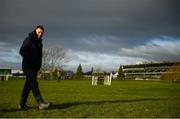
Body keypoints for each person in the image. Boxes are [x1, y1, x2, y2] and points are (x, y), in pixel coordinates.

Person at [19, 25, 50, 110]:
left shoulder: (40, 42)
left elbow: (39, 56)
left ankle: (22, 104)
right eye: (39, 32)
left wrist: (38, 65)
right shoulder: (29, 39)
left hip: (34, 67)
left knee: (28, 86)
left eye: (42, 33)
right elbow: (22, 51)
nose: (40, 34)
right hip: (28, 66)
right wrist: (30, 59)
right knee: (34, 83)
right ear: (35, 31)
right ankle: (40, 102)